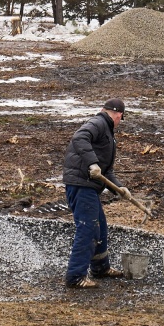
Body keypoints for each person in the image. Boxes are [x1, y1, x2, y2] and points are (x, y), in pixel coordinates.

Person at [62, 98, 131, 288]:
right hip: (81, 184)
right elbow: (80, 137)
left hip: (88, 184)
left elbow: (105, 170)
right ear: (119, 115)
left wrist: (119, 188)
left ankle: (100, 268)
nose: (119, 122)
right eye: (121, 119)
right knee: (88, 228)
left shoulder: (106, 130)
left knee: (99, 225)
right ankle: (75, 277)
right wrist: (92, 163)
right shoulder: (99, 122)